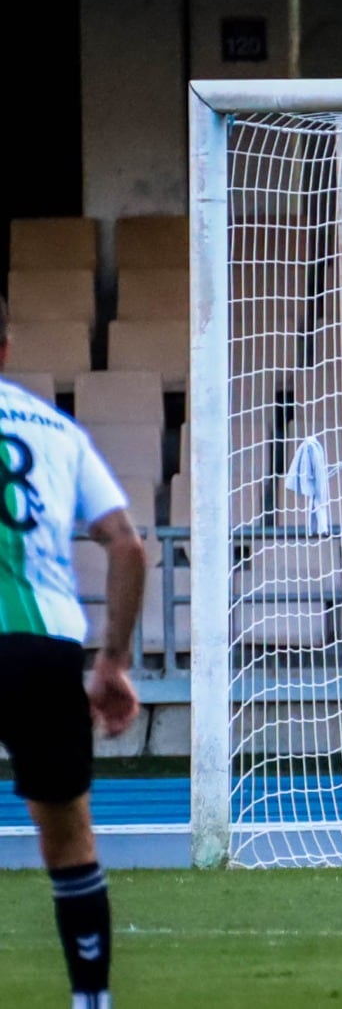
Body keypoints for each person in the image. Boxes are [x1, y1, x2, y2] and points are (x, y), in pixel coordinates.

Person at [0, 301, 147, 1009]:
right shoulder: (55, 430)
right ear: (4, 348)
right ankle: (92, 1001)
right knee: (67, 834)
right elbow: (126, 542)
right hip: (42, 648)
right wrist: (111, 661)